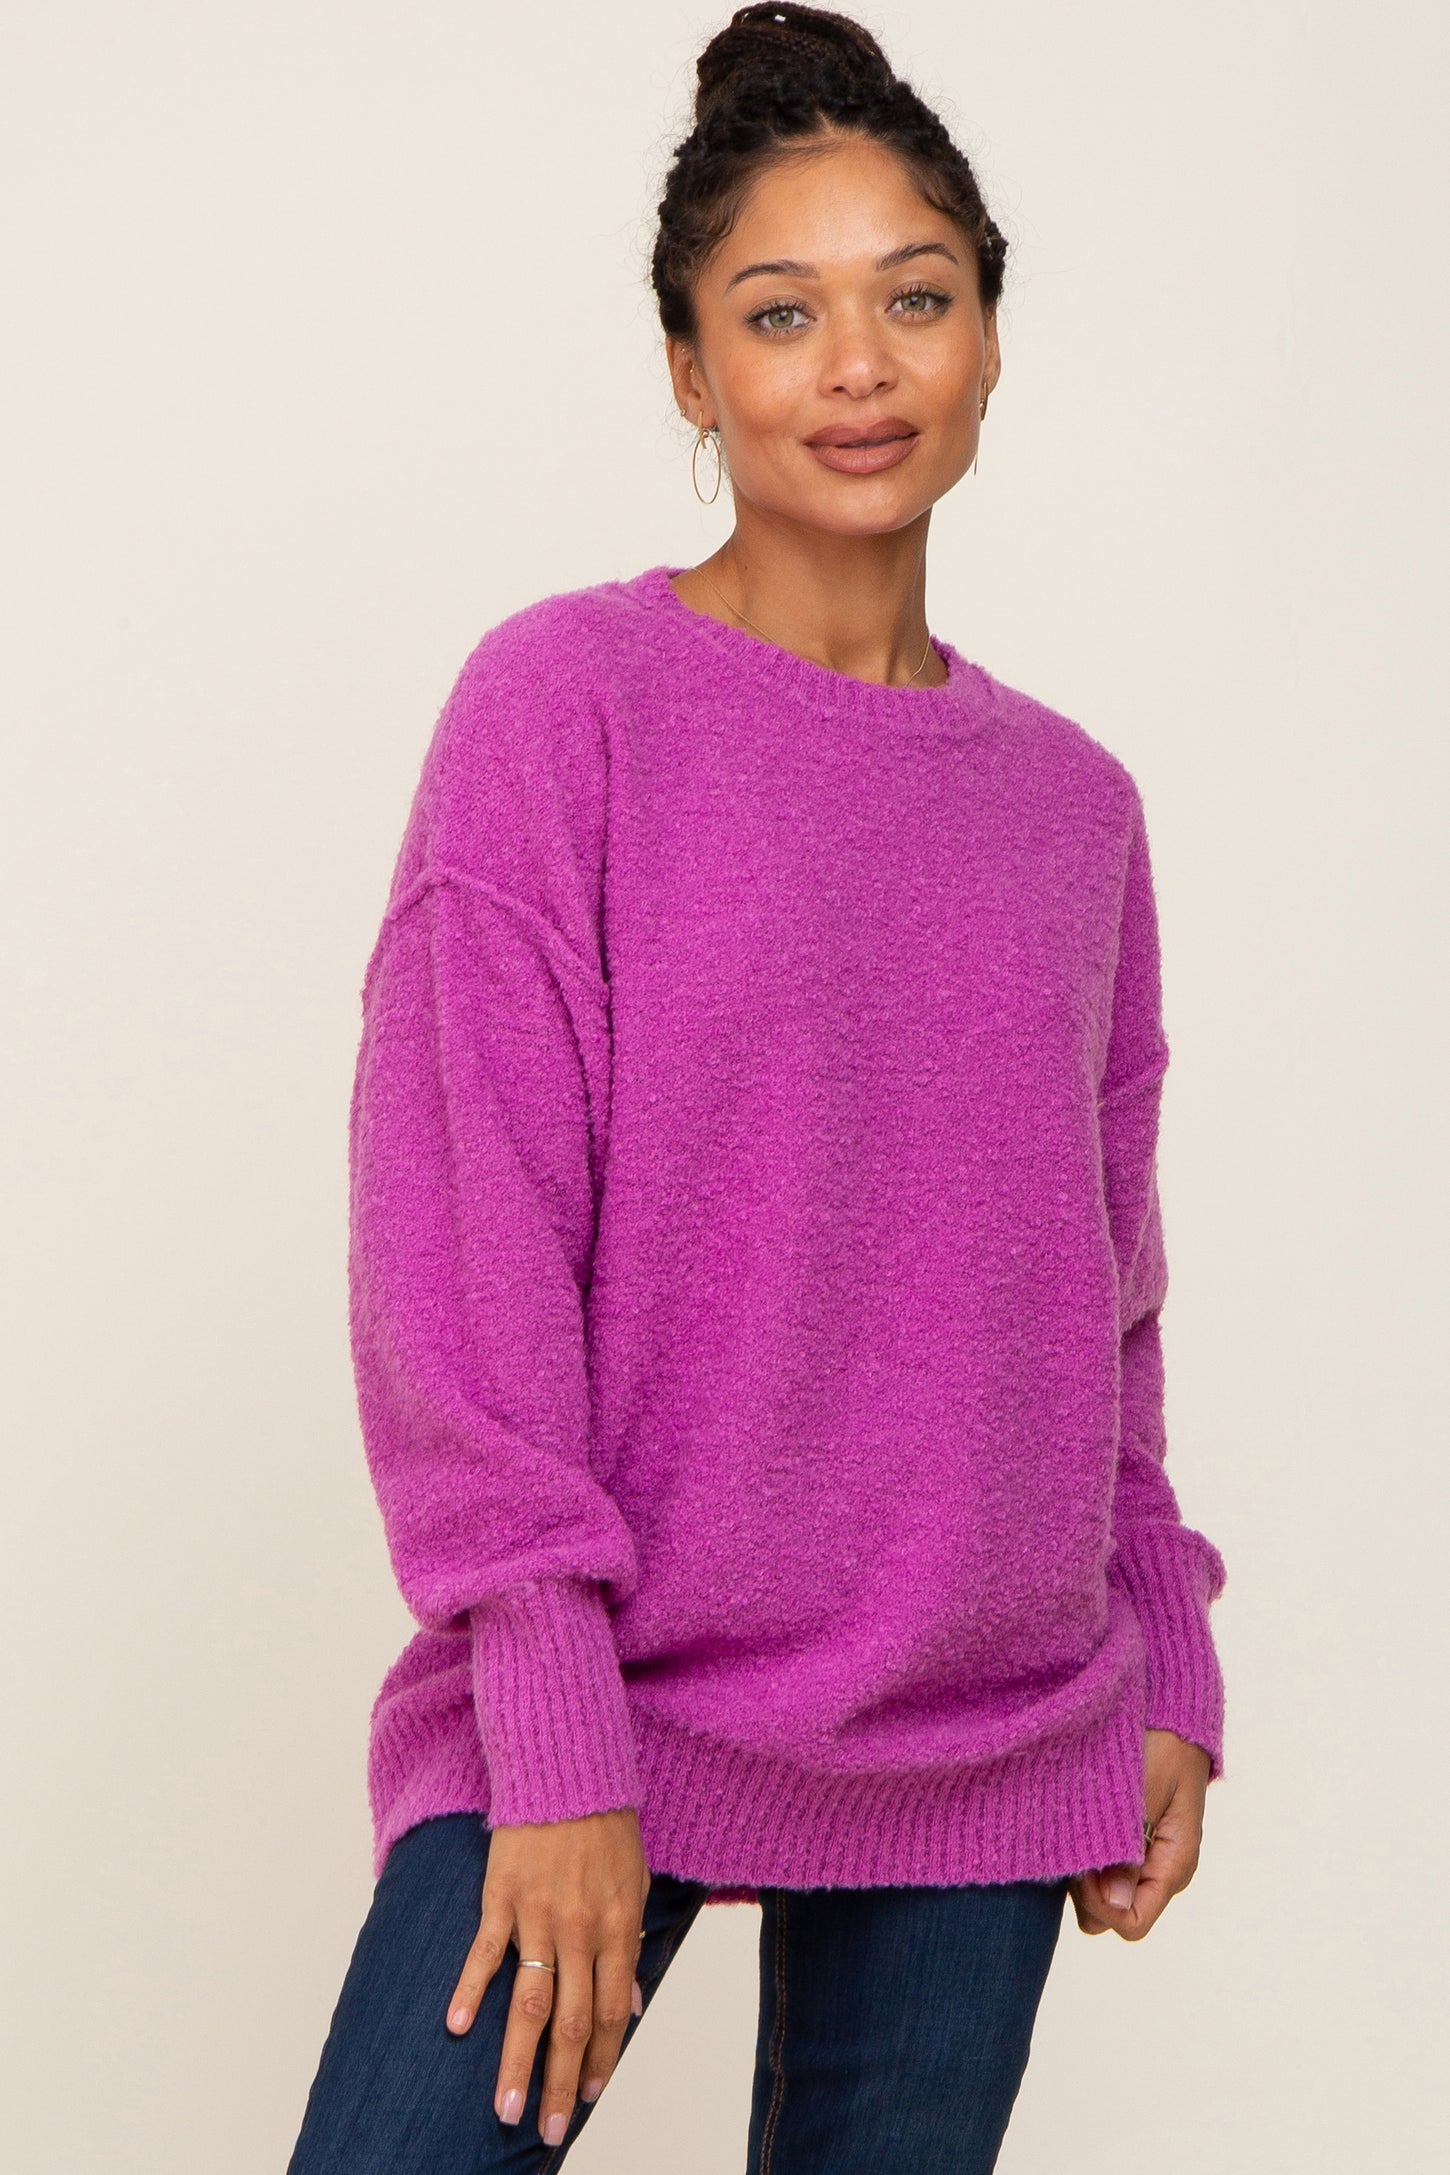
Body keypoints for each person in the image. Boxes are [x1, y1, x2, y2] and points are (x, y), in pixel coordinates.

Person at [285, 7, 1228, 2170]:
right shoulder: (565, 706)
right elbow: (460, 1235)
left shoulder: (1072, 807)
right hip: (607, 1700)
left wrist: (1161, 1648)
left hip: (993, 1728)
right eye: (780, 313)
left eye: (916, 297)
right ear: (691, 374)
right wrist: (548, 1725)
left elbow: (1099, 1286)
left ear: (989, 342)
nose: (858, 366)